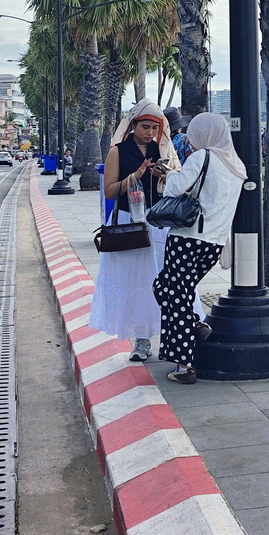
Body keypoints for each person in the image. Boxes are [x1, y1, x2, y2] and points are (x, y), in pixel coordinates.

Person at [152, 113, 246, 384]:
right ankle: (195, 324)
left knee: (175, 295)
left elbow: (175, 189)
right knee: (166, 288)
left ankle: (185, 365)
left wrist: (168, 174)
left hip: (187, 238)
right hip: (214, 243)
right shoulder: (236, 165)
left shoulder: (202, 157)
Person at [93, 102, 179, 363]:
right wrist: (135, 176)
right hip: (129, 222)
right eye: (145, 127)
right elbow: (110, 191)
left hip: (158, 221)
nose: (150, 132)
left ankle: (171, 335)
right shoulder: (118, 151)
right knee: (134, 280)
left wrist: (164, 176)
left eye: (154, 128)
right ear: (133, 125)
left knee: (163, 277)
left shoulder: (160, 149)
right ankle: (141, 339)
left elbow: (176, 183)